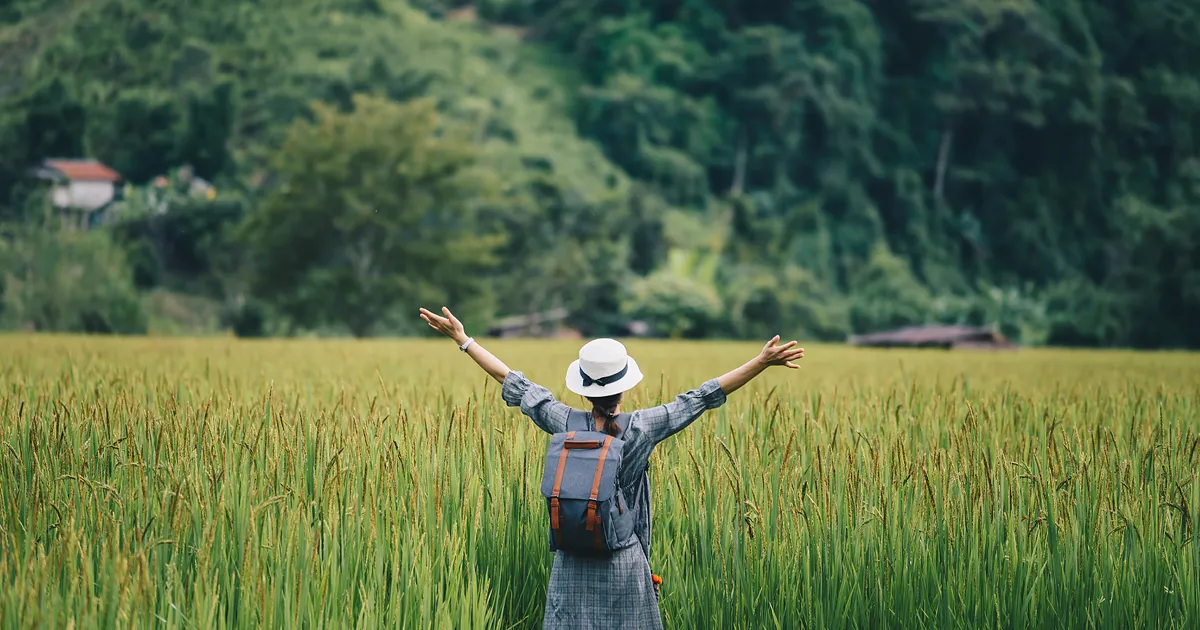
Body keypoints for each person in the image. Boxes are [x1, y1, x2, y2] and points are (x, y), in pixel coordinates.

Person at [418, 306, 805, 629]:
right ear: (624, 385)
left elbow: (514, 383)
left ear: (584, 388)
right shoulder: (643, 427)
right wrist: (761, 362)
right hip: (623, 560)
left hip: (571, 559)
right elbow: (702, 397)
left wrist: (464, 340)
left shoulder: (564, 421)